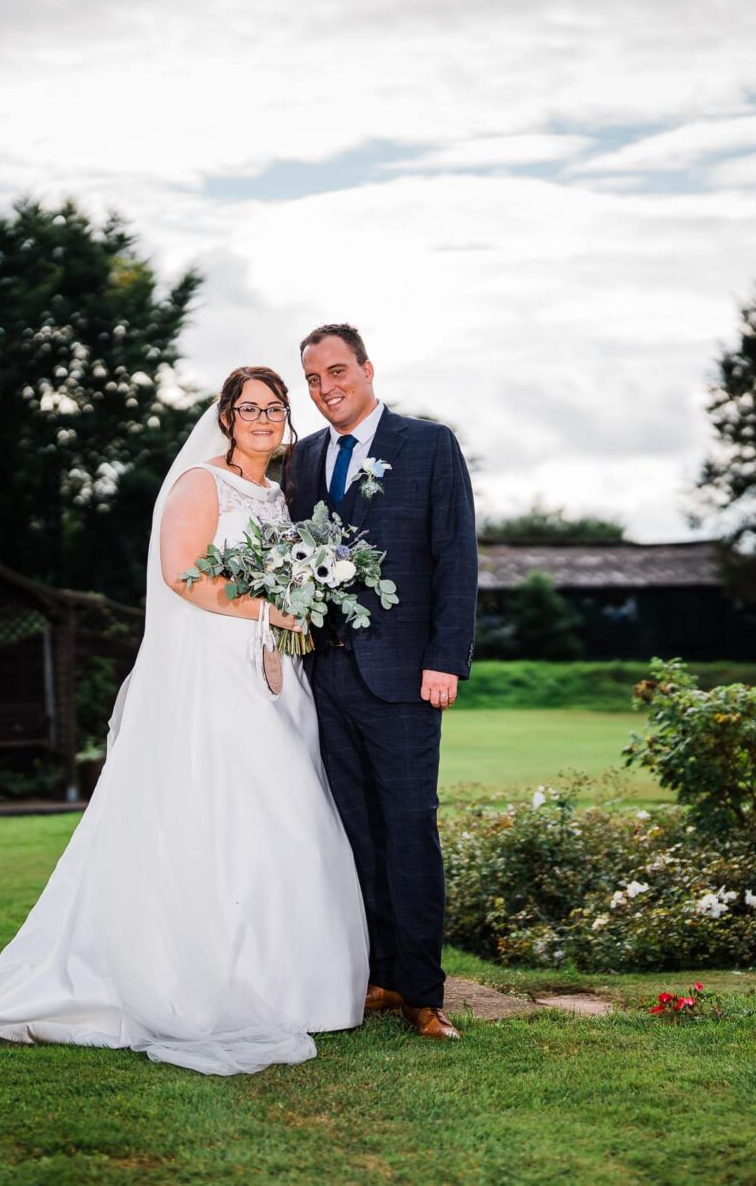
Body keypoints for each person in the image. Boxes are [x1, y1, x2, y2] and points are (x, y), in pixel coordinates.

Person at [0, 367, 369, 1076]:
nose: (261, 417)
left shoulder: (280, 495)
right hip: (211, 670)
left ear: (285, 419)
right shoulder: (200, 483)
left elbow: (275, 575)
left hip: (271, 668)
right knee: (223, 809)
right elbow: (180, 575)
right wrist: (266, 607)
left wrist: (287, 612)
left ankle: (296, 983)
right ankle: (213, 977)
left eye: (274, 407)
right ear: (225, 417)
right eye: (248, 406)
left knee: (287, 813)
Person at [287, 323, 478, 1041]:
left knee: (408, 829)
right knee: (354, 832)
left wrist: (445, 658)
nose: (326, 387)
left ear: (368, 368)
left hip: (404, 677)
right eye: (312, 378)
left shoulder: (429, 445)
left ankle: (425, 993)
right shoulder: (303, 459)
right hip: (326, 674)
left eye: (337, 371)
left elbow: (455, 558)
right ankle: (381, 973)